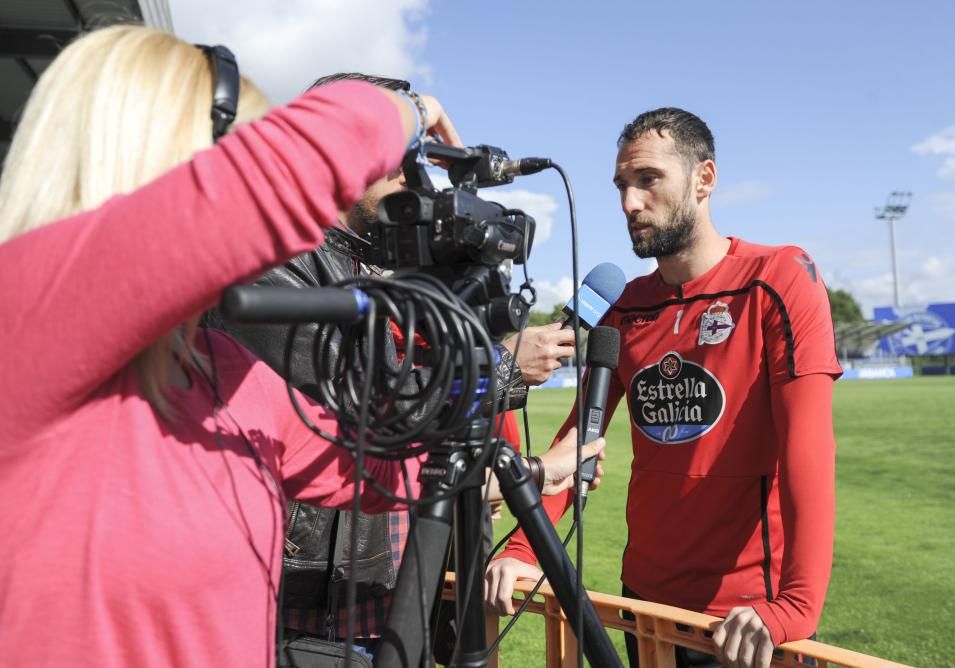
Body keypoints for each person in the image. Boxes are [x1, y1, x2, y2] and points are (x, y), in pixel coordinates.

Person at [0, 26, 600, 667]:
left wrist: (534, 471)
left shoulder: (224, 374)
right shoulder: (25, 321)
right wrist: (412, 111)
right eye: (228, 155)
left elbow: (387, 472)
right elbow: (297, 165)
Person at [203, 70, 579, 654]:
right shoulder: (268, 260)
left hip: (377, 596)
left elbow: (404, 464)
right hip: (295, 606)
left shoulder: (370, 271)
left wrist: (526, 471)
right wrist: (501, 367)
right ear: (340, 153)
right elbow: (355, 402)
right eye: (397, 156)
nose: (414, 179)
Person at [485, 107, 841, 668]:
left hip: (744, 620)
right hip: (643, 604)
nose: (630, 202)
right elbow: (580, 440)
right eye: (622, 185)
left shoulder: (779, 279)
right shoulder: (624, 306)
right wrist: (526, 548)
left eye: (648, 179)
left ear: (705, 179)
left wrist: (795, 604)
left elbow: (809, 452)